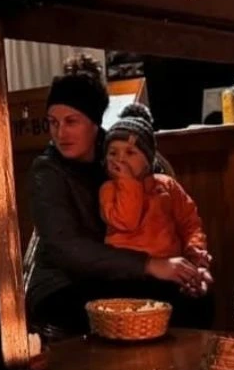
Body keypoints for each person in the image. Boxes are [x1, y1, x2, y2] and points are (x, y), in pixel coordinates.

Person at [27, 54, 214, 335]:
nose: (60, 133)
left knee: (195, 299)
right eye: (53, 122)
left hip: (123, 272)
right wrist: (151, 265)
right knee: (126, 308)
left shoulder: (121, 150)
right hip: (63, 282)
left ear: (94, 122)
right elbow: (68, 250)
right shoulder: (47, 170)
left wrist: (192, 263)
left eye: (71, 121)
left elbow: (174, 212)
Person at [100, 103, 212, 292]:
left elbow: (190, 223)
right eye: (113, 153)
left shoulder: (167, 184)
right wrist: (128, 182)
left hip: (171, 268)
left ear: (148, 160)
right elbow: (127, 221)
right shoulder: (108, 190)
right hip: (128, 275)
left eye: (130, 152)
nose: (120, 159)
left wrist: (196, 258)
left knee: (198, 296)